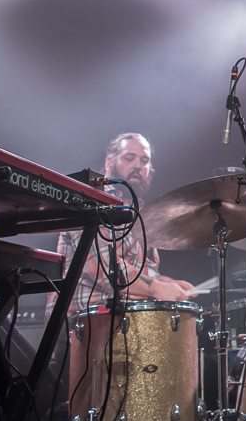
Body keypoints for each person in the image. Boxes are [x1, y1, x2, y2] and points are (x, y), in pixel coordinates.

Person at [53, 133, 195, 313]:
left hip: (126, 319)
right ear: (108, 162)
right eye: (129, 158)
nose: (138, 165)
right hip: (83, 324)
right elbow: (108, 272)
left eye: (144, 161)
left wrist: (167, 283)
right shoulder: (89, 200)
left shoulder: (139, 212)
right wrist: (157, 288)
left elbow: (143, 273)